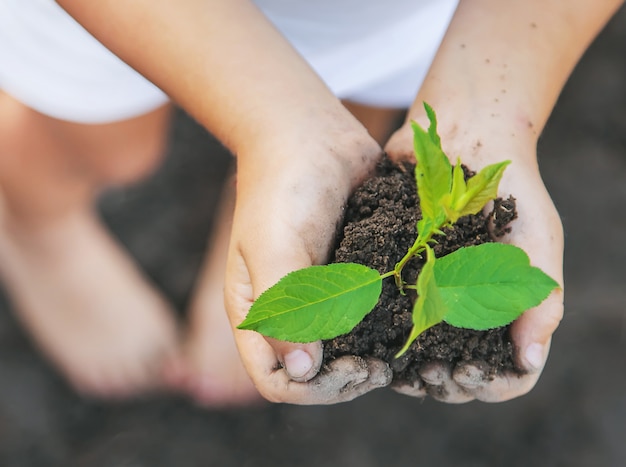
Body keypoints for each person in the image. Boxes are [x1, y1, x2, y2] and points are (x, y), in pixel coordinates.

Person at [0, 0, 622, 405]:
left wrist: (491, 96)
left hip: (404, 16)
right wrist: (269, 121)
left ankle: (272, 190)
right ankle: (39, 229)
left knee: (348, 125)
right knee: (100, 149)